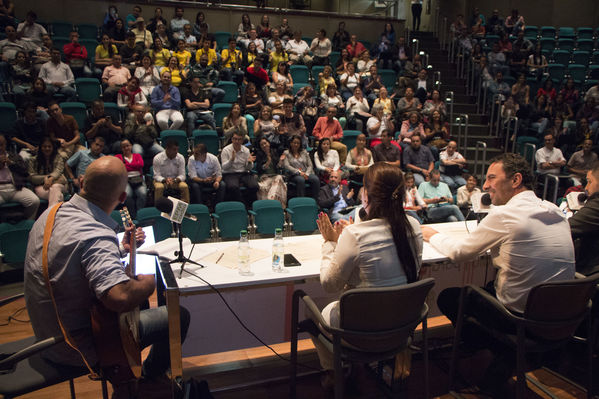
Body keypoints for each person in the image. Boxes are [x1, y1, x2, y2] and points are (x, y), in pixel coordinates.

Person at [24, 156, 190, 396]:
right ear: (122, 198)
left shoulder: (49, 214)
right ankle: (150, 376)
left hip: (45, 335)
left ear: (82, 182)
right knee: (178, 315)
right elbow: (119, 297)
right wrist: (149, 284)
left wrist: (120, 249)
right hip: (77, 347)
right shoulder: (95, 235)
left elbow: (72, 259)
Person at [422, 153, 574, 396]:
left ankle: (488, 348)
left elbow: (461, 252)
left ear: (515, 180)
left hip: (522, 320)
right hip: (563, 318)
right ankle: (502, 361)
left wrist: (432, 235)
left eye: (492, 178)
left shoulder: (505, 215)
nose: (484, 185)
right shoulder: (554, 209)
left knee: (450, 297)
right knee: (491, 285)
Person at [314, 162, 422, 374]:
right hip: (400, 327)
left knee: (315, 314)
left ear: (366, 196)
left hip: (362, 332)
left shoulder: (355, 235)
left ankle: (334, 374)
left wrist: (330, 243)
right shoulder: (414, 226)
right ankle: (376, 365)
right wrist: (351, 234)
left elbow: (329, 284)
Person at [569, 161, 599, 276]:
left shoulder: (597, 205)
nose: (586, 188)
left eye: (589, 182)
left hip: (589, 275)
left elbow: (566, 229)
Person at [0, 133, 40, 219]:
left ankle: (27, 223)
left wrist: (11, 164)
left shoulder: (14, 156)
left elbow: (25, 172)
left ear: (5, 145)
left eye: (1, 145)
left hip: (15, 188)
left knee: (34, 201)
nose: (0, 147)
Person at [220, 130, 258, 205]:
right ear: (232, 139)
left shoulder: (246, 150)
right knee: (233, 187)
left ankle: (249, 205)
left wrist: (250, 162)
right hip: (230, 173)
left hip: (243, 173)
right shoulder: (226, 150)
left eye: (239, 139)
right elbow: (224, 167)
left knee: (254, 186)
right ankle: (243, 206)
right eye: (235, 139)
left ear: (242, 140)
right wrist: (231, 160)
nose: (236, 141)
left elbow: (248, 169)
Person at [115, 139, 146, 217]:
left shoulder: (137, 155)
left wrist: (126, 166)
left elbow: (141, 165)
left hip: (138, 179)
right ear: (121, 149)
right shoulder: (118, 157)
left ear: (131, 146)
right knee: (127, 195)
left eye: (127, 146)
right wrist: (135, 165)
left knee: (143, 193)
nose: (126, 148)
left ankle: (140, 213)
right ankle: (133, 215)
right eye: (123, 147)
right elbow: (120, 167)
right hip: (125, 181)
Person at [187, 143, 225, 207]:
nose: (194, 155)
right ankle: (201, 207)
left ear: (204, 154)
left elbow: (219, 174)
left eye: (197, 154)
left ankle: (216, 207)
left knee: (222, 185)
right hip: (198, 181)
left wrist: (217, 181)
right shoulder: (191, 159)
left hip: (211, 180)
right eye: (194, 153)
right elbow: (193, 176)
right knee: (195, 186)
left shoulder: (213, 159)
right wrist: (203, 180)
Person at [282, 135, 319, 200]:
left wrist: (306, 174)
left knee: (315, 179)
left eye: (298, 143)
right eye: (294, 143)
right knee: (300, 180)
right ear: (291, 143)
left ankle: (316, 200)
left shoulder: (304, 152)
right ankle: (302, 200)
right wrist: (299, 173)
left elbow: (310, 165)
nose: (296, 145)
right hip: (294, 174)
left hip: (306, 173)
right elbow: (287, 166)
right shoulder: (286, 153)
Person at [153, 139, 189, 204]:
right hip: (162, 181)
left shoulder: (180, 157)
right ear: (167, 149)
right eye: (174, 150)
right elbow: (156, 175)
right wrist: (164, 180)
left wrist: (175, 180)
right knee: (159, 187)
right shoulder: (157, 158)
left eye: (177, 149)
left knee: (184, 186)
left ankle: (185, 208)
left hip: (176, 181)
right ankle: (158, 208)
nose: (176, 152)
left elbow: (183, 175)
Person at [254, 137, 287, 207]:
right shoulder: (259, 154)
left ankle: (272, 202)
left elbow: (278, 167)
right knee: (262, 188)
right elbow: (259, 169)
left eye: (265, 143)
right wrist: (267, 163)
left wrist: (281, 161)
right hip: (264, 177)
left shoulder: (274, 152)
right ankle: (267, 205)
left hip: (274, 176)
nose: (264, 146)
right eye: (262, 145)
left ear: (269, 143)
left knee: (279, 178)